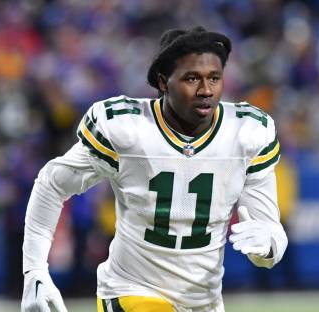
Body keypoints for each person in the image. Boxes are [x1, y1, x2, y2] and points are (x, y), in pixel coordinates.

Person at [21, 27, 288, 312]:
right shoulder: (128, 129)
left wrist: (269, 244)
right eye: (191, 78)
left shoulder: (247, 133)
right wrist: (34, 271)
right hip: (132, 290)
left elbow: (271, 232)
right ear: (163, 82)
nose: (206, 90)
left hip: (204, 301)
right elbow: (51, 184)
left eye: (214, 78)